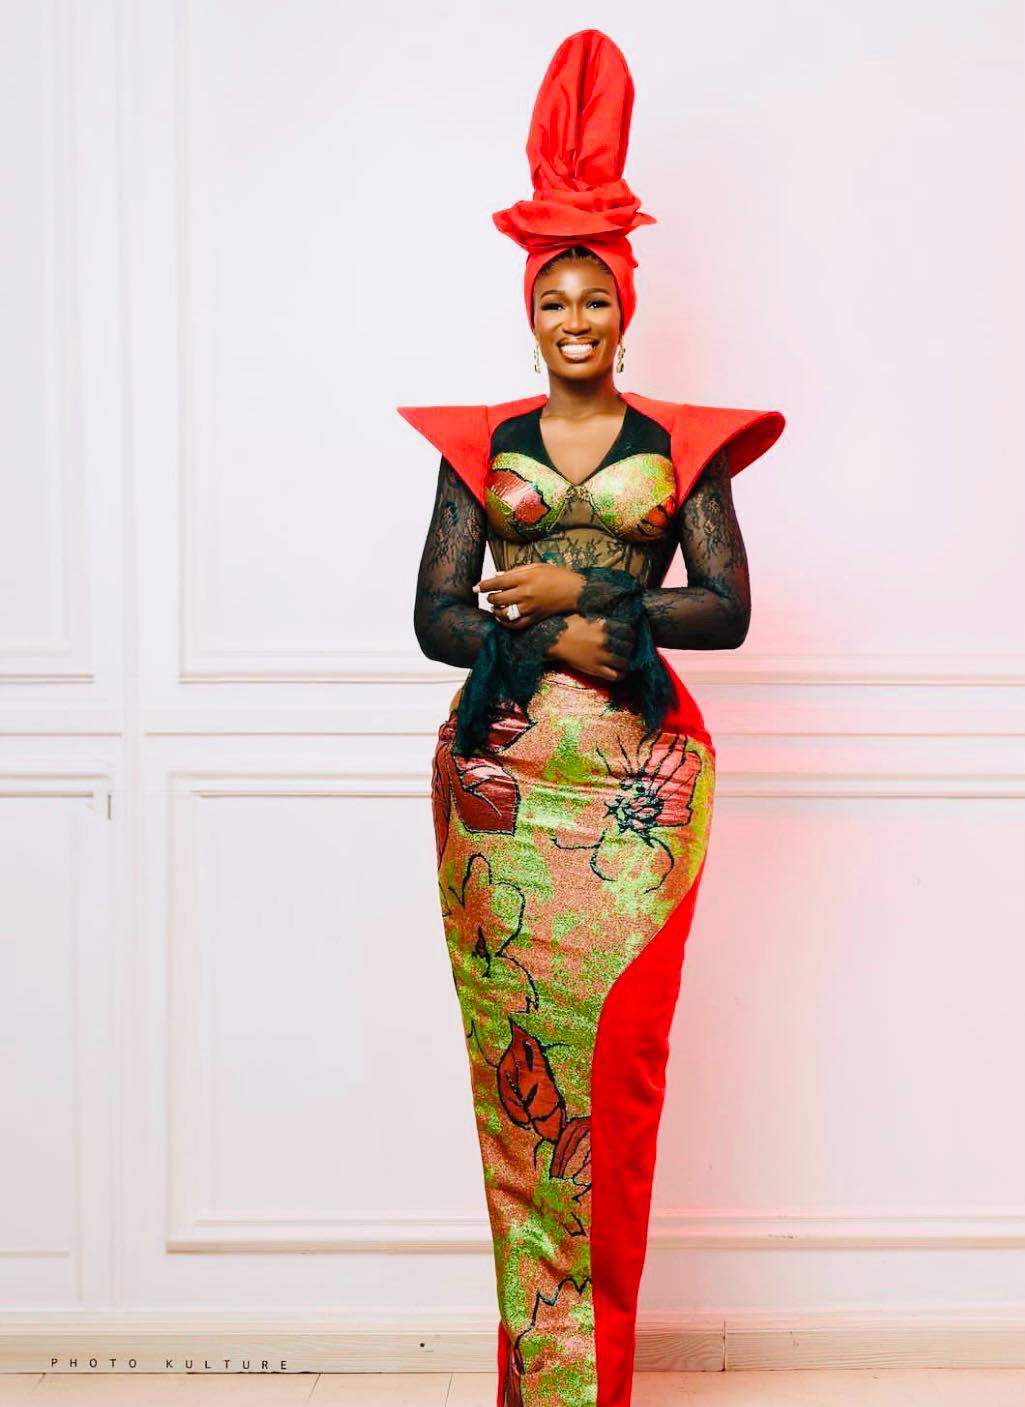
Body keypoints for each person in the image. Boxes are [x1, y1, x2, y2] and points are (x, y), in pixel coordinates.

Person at [397, 30, 785, 1407]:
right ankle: (535, 1388)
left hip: (637, 795)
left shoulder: (679, 447)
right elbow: (435, 615)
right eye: (553, 299)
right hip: (496, 794)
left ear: (626, 309)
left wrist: (585, 600)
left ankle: (594, 1385)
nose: (575, 319)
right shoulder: (481, 446)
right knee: (517, 1089)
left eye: (595, 299)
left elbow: (725, 610)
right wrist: (539, 631)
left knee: (612, 1084)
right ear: (531, 312)